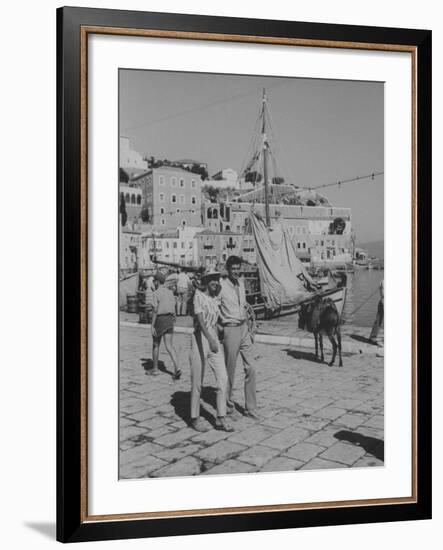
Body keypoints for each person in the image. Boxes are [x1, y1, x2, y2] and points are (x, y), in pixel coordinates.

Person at [189, 272, 233, 432]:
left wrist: (219, 332)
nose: (216, 282)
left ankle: (221, 417)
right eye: (212, 279)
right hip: (200, 337)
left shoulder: (215, 299)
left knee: (223, 377)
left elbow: (216, 320)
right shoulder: (198, 296)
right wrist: (210, 339)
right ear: (206, 281)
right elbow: (200, 321)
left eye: (217, 279)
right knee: (197, 380)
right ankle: (194, 417)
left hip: (213, 337)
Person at [219, 255, 258, 419]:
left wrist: (250, 327)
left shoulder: (241, 284)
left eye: (238, 269)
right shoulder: (220, 286)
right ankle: (228, 405)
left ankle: (250, 407)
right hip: (230, 329)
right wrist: (219, 327)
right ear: (228, 270)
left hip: (243, 328)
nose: (236, 272)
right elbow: (213, 306)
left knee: (251, 367)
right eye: (233, 269)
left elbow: (244, 307)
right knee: (230, 370)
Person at [150, 271, 181, 379]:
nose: (153, 282)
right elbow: (174, 307)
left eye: (154, 281)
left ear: (157, 282)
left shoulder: (156, 293)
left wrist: (152, 325)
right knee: (169, 345)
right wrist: (174, 318)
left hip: (160, 319)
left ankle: (155, 369)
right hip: (170, 319)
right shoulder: (170, 292)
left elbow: (154, 310)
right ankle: (177, 367)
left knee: (156, 344)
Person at [369, 279, 384, 344]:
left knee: (378, 320)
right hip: (383, 303)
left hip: (382, 302)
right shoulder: (384, 282)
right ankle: (372, 337)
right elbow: (383, 295)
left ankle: (372, 337)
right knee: (378, 320)